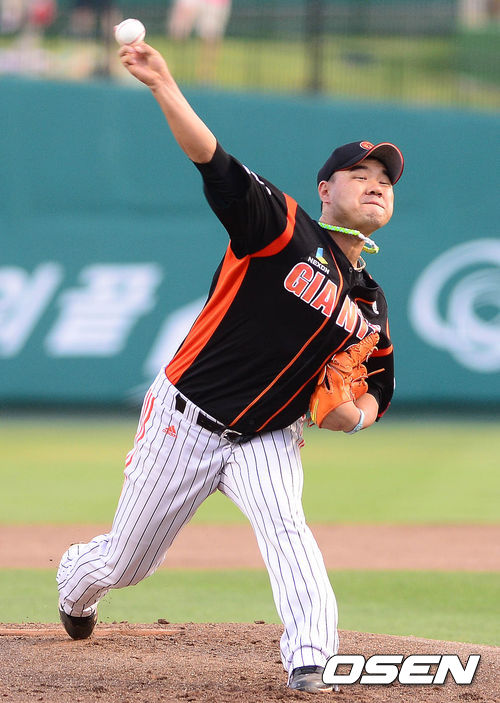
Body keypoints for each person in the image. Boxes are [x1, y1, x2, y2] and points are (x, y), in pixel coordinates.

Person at [57, 42, 404, 694]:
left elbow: (380, 384)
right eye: (359, 173)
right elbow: (213, 160)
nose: (376, 183)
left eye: (385, 178)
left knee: (287, 527)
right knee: (128, 562)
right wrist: (163, 83)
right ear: (325, 189)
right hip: (184, 418)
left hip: (267, 435)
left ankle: (310, 658)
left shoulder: (370, 302)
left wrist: (357, 416)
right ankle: (75, 583)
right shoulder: (281, 228)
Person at [167, 0, 231, 82]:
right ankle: (176, 68)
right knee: (179, 31)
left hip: (215, 3)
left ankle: (206, 75)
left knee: (210, 36)